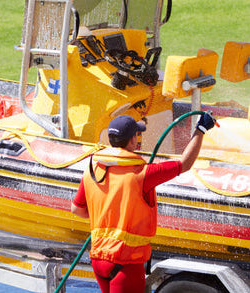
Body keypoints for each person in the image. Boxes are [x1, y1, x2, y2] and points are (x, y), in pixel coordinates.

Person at [71, 113, 215, 293]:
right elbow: (185, 164)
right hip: (126, 263)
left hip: (98, 259)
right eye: (137, 134)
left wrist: (108, 211)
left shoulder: (93, 169)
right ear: (132, 139)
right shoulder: (142, 174)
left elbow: (76, 209)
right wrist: (200, 130)